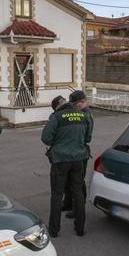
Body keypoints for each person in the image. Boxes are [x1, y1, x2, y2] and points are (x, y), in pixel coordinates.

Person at [42, 91, 93, 237]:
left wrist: (59, 141)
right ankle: (80, 229)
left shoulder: (56, 117)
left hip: (60, 160)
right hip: (78, 159)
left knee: (57, 194)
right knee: (78, 191)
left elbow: (46, 138)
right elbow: (88, 138)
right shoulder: (84, 115)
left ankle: (54, 229)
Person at [63, 90, 93, 218]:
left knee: (78, 181)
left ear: (82, 102)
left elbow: (88, 138)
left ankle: (78, 208)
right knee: (69, 179)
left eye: (76, 104)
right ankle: (68, 203)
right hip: (74, 152)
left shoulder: (87, 115)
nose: (74, 107)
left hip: (81, 152)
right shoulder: (80, 112)